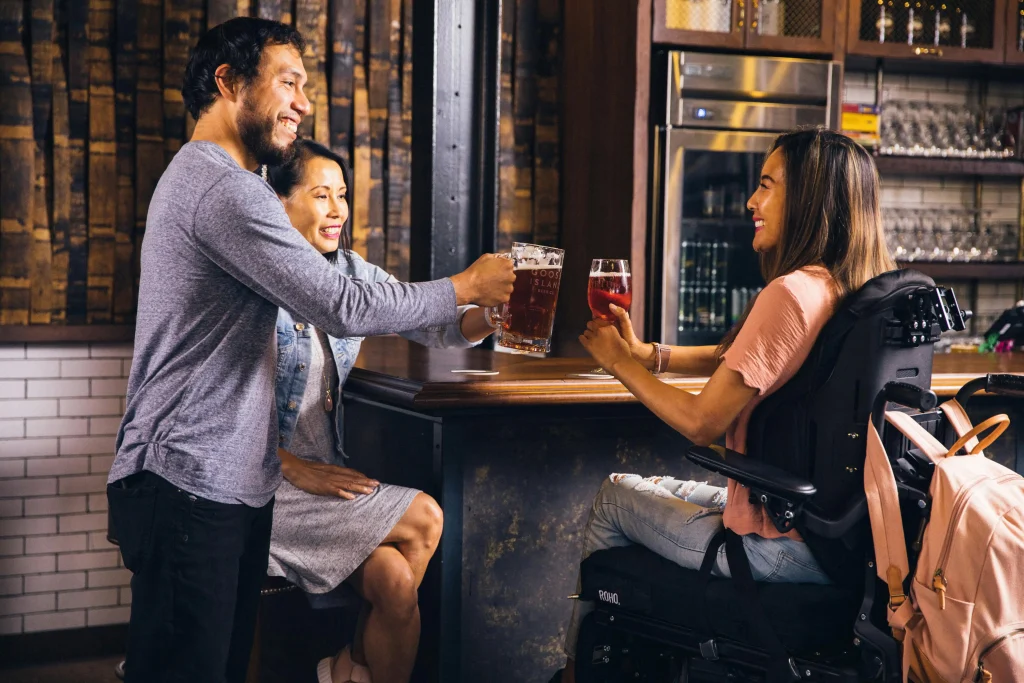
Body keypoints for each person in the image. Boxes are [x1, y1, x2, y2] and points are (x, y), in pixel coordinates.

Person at [105, 18, 514, 683]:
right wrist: (464, 283)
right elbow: (341, 305)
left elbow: (357, 297)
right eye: (288, 83)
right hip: (188, 481)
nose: (303, 103)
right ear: (230, 82)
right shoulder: (225, 187)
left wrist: (473, 311)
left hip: (219, 483)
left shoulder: (221, 183)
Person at [553, 128, 896, 682]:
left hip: (777, 547)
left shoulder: (789, 293)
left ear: (809, 198)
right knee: (646, 492)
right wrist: (648, 353)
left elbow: (700, 422)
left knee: (615, 497)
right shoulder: (849, 285)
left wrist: (621, 364)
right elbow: (746, 359)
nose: (750, 202)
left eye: (766, 185)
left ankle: (577, 673)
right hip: (829, 539)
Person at [264, 139, 497, 683]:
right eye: (321, 196)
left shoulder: (350, 270)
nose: (338, 210)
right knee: (425, 517)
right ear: (278, 204)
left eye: (342, 195)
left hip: (327, 481)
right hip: (264, 486)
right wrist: (292, 466)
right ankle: (343, 669)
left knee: (395, 582)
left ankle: (348, 670)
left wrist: (491, 315)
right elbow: (218, 406)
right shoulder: (257, 279)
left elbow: (436, 325)